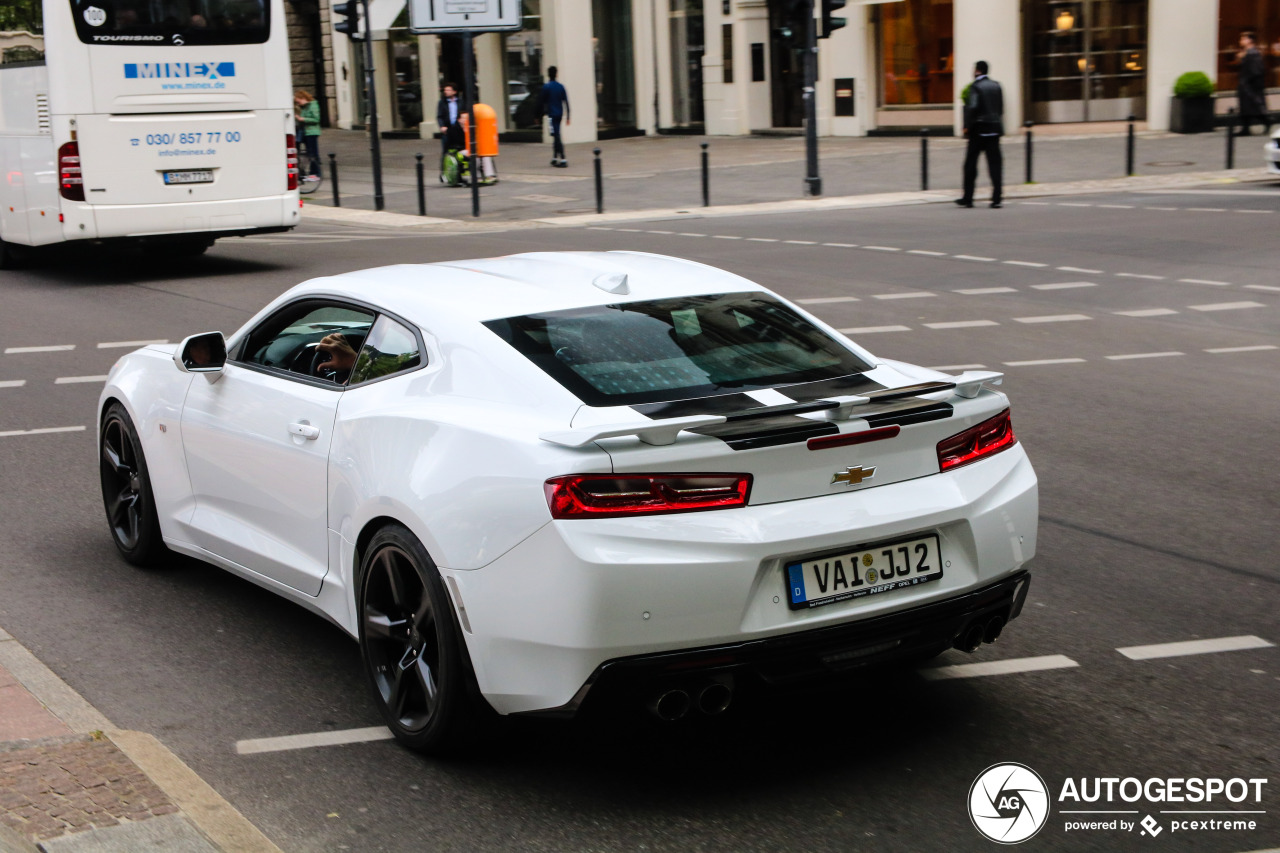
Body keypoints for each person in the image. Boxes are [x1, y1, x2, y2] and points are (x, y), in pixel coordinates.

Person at [957, 60, 1004, 209]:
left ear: (977, 71)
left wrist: (967, 127)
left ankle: (968, 198)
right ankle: (996, 198)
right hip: (994, 130)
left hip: (979, 131)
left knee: (970, 165)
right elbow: (1000, 109)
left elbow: (972, 108)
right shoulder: (997, 86)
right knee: (995, 164)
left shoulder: (975, 87)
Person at [1235, 31, 1270, 136]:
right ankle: (1246, 128)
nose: (1240, 41)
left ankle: (1266, 121)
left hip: (1250, 86)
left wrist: (1247, 82)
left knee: (1253, 107)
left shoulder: (1253, 53)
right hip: (1247, 85)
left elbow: (1256, 70)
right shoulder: (1247, 53)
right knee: (1247, 108)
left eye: (1243, 39)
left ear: (1250, 40)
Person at [538, 66, 570, 167]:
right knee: (556, 134)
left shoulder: (546, 87)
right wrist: (568, 115)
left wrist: (538, 115)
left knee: (556, 136)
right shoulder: (561, 87)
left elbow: (541, 102)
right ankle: (555, 157)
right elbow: (566, 102)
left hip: (551, 115)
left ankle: (563, 158)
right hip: (559, 114)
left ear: (548, 74)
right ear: (556, 74)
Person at [293, 90, 321, 181]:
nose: (298, 103)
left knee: (313, 153)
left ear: (303, 98)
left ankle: (316, 173)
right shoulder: (304, 107)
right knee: (308, 153)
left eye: (298, 101)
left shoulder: (312, 105)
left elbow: (316, 119)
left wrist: (302, 119)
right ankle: (310, 173)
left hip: (312, 132)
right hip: (305, 132)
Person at [436, 83, 462, 161]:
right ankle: (444, 170)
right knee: (446, 151)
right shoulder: (442, 102)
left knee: (459, 149)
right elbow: (439, 116)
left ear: (454, 92)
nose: (446, 91)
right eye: (445, 90)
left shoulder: (460, 101)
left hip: (458, 128)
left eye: (448, 90)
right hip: (447, 129)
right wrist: (442, 126)